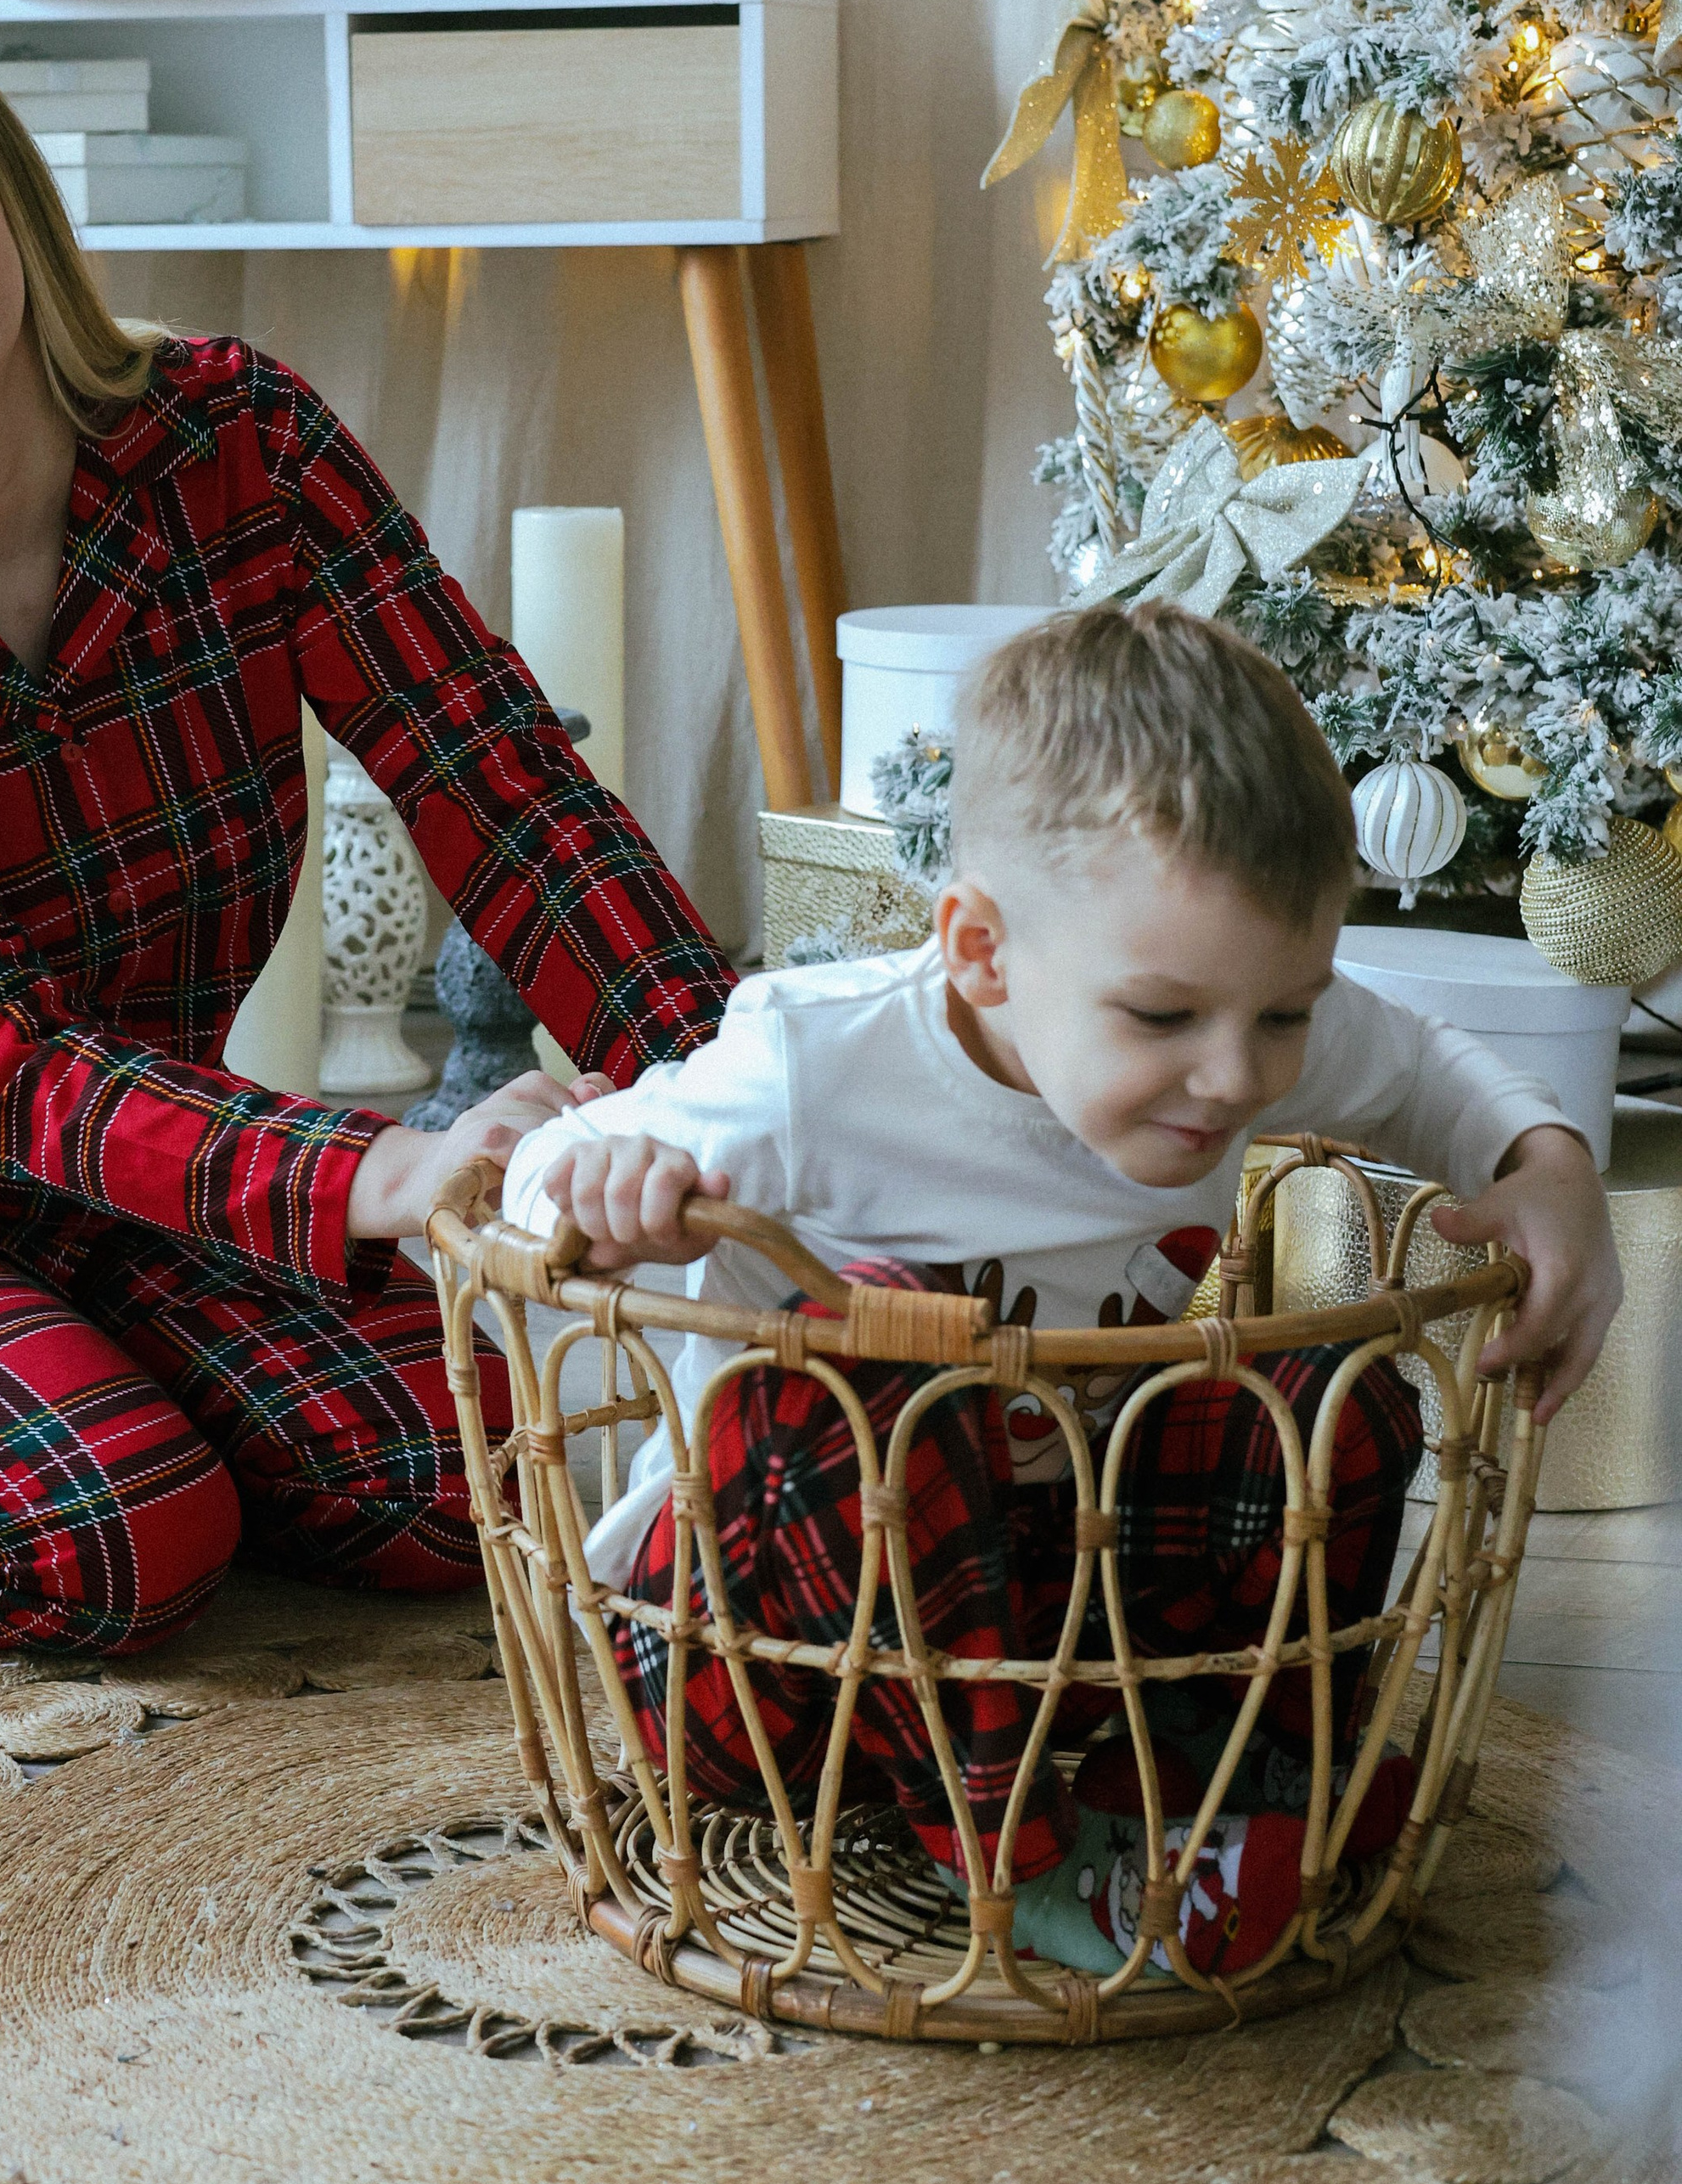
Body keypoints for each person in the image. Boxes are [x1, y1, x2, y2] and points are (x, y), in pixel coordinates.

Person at [0, 0, 734, 1654]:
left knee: (510, 1463)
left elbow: (501, 788)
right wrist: (383, 1171)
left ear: (5, 184)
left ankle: (67, 1381)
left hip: (126, 1166)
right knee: (121, 1535)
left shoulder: (236, 447)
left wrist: (747, 1108)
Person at [501, 605, 1622, 1978]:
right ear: (981, 952)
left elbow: (1429, 1066)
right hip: (762, 1667)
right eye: (1162, 1020)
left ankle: (1247, 1761)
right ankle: (1029, 1872)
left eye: (1285, 1014)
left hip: (1047, 1647)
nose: (1238, 1078)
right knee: (855, 1376)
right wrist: (599, 1189)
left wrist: (1550, 1166)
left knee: (1328, 1397)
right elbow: (541, 1173)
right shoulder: (819, 1065)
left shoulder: (1229, 1019)